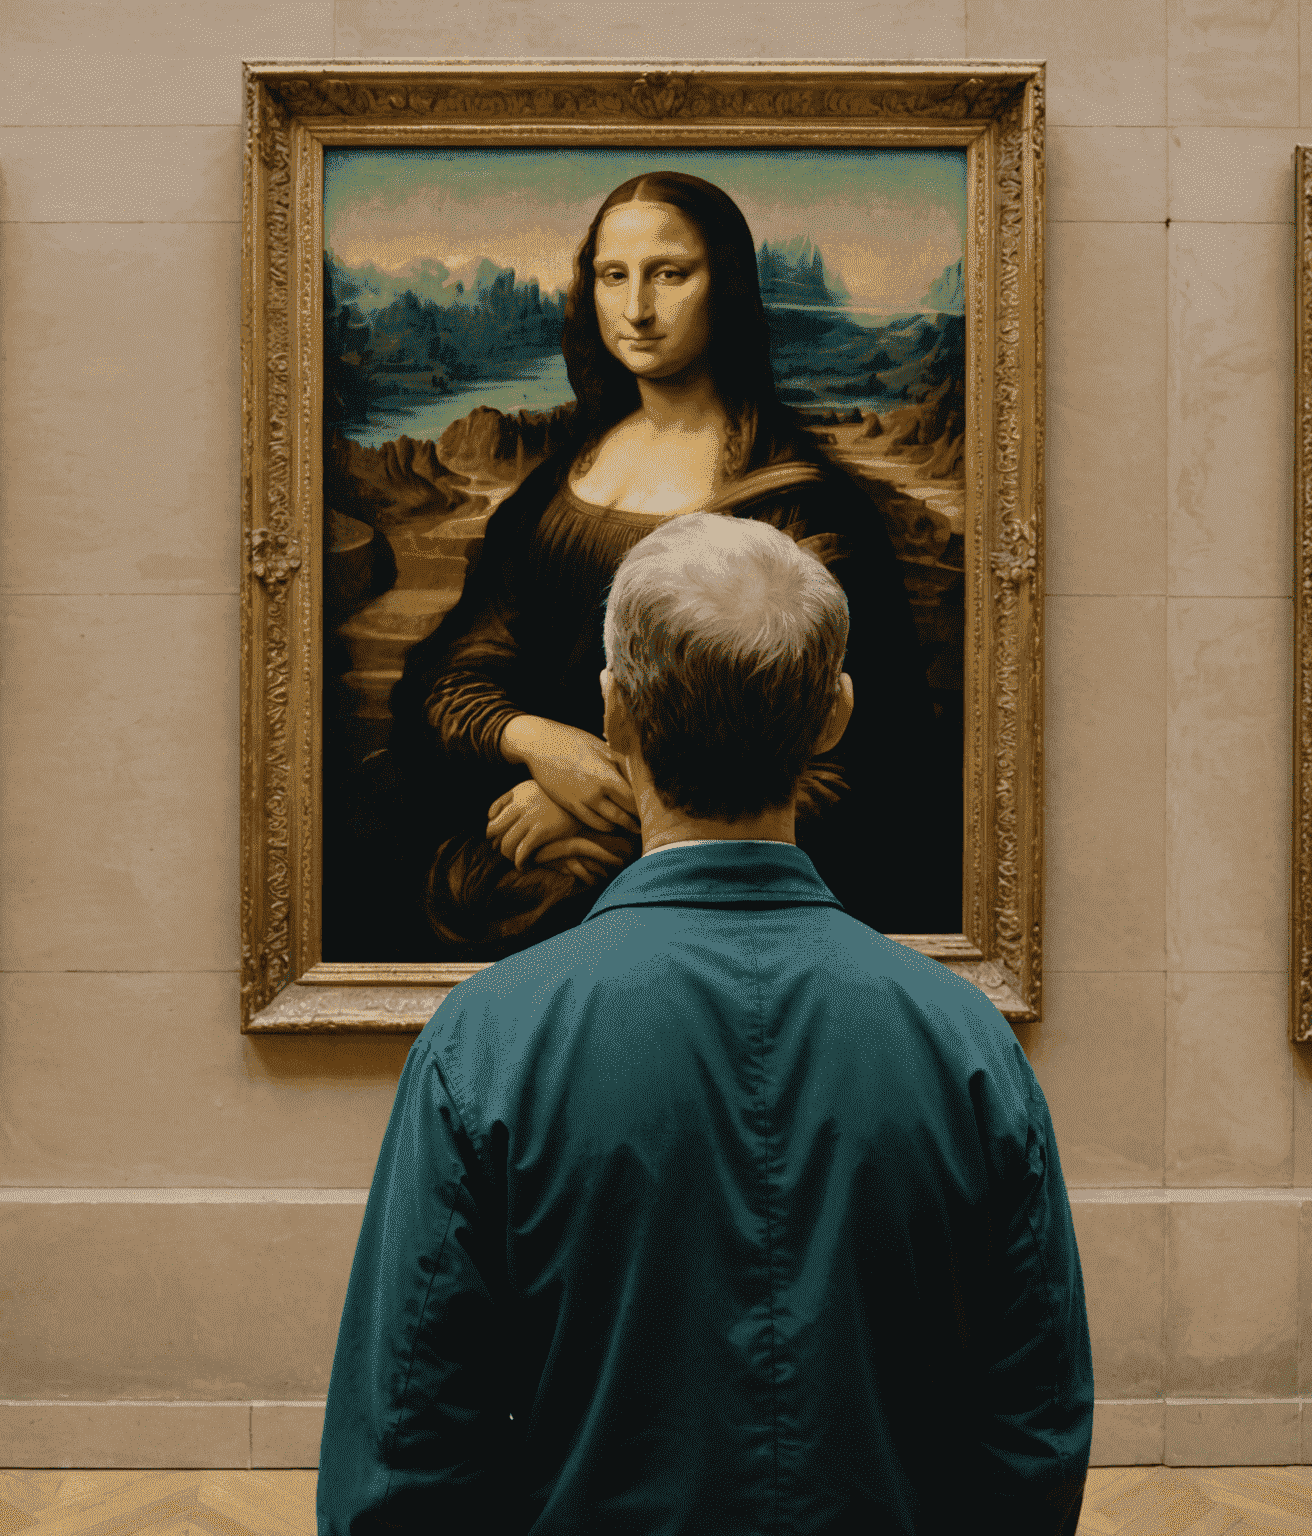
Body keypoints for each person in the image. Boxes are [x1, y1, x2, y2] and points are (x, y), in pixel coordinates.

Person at [317, 512, 1094, 1535]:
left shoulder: (488, 1042)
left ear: (616, 713)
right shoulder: (964, 1045)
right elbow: (1031, 1435)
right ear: (833, 715)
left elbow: (404, 1455)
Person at [353, 170, 956, 962]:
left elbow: (851, 764)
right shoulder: (559, 484)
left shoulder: (797, 507)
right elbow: (453, 678)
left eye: (670, 274)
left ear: (727, 286)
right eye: (614, 276)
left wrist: (614, 815)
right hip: (530, 828)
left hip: (705, 891)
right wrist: (537, 742)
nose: (636, 307)